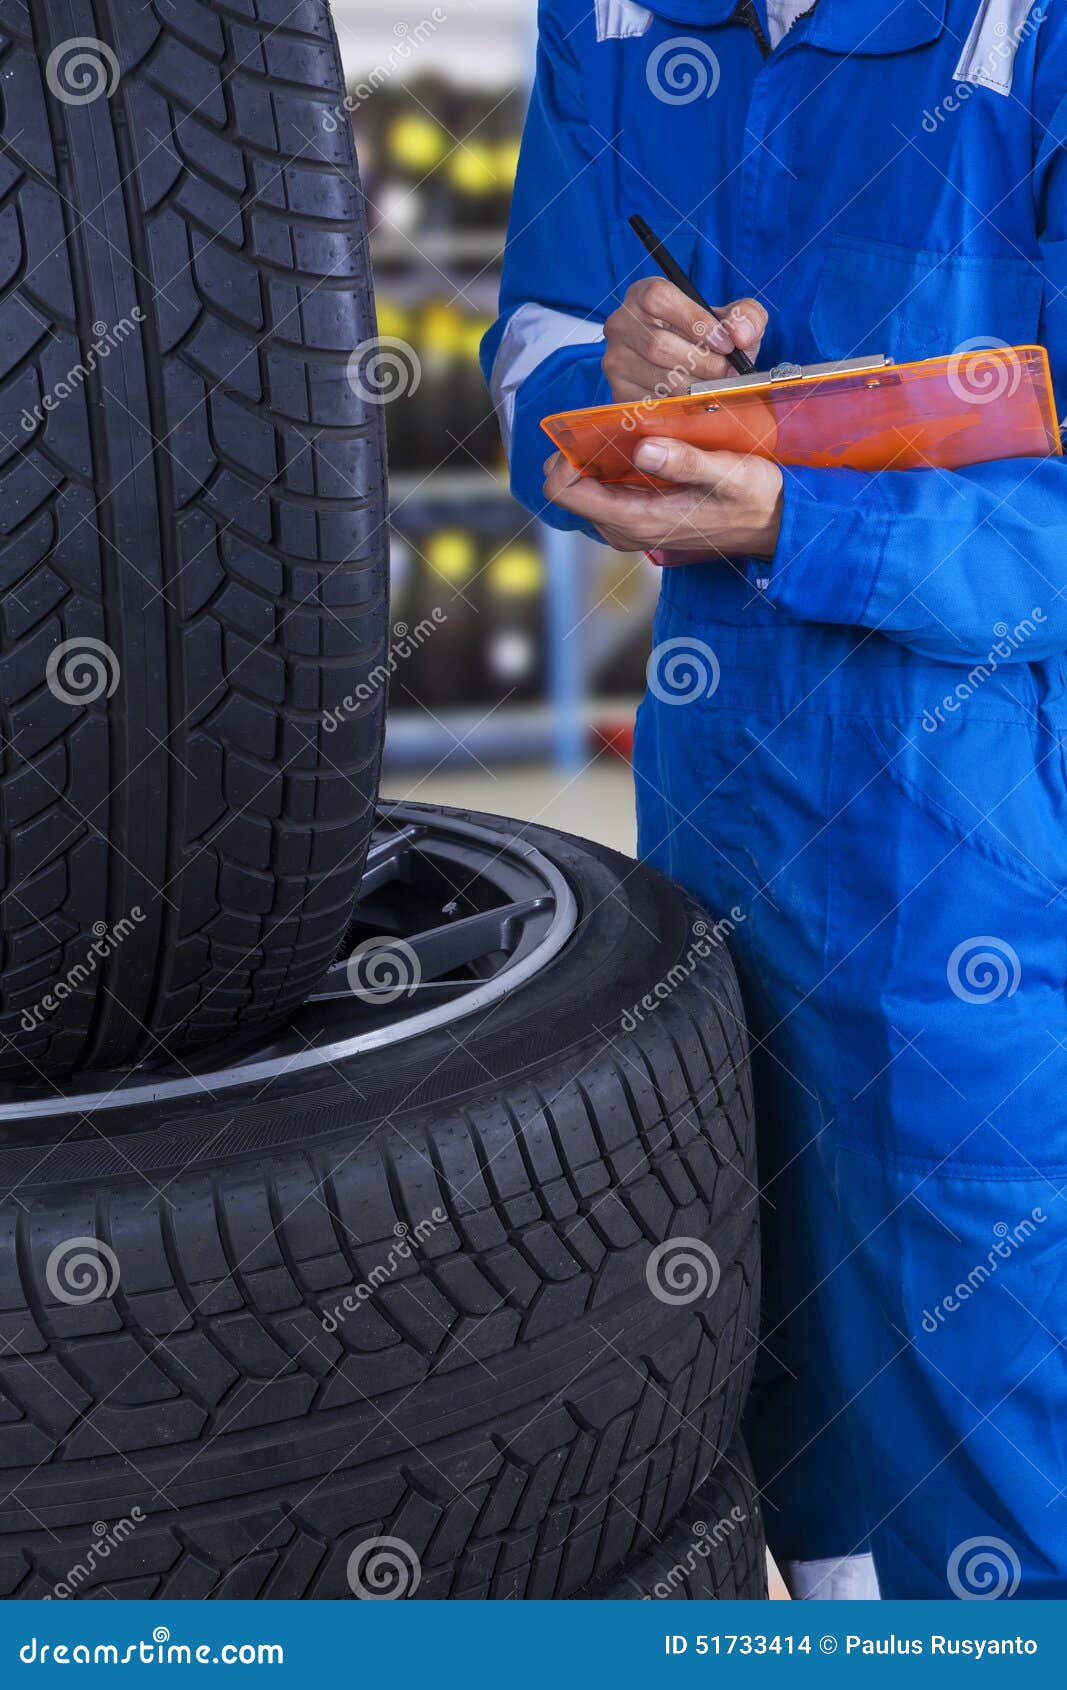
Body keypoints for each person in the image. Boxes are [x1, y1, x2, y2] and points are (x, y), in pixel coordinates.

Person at [482, 0, 1067, 1601]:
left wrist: (806, 525)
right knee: (781, 1440)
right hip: (713, 866)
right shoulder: (613, 17)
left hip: (974, 897)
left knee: (995, 1468)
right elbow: (532, 331)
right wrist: (607, 378)